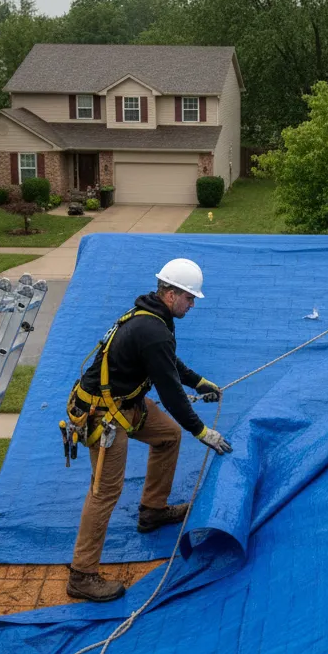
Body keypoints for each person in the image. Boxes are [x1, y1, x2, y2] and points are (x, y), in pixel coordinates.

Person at [65, 257, 232, 602]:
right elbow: (170, 393)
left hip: (125, 402)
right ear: (171, 294)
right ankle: (81, 575)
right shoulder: (153, 329)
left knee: (168, 436)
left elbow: (167, 363)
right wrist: (202, 432)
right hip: (104, 414)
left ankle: (152, 511)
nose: (192, 304)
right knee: (104, 492)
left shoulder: (155, 317)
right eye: (190, 298)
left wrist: (198, 381)